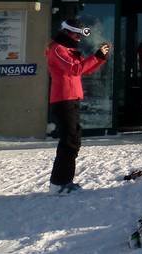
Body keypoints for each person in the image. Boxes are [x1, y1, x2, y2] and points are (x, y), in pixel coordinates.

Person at [46, 18, 110, 194]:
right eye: (77, 35)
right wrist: (96, 57)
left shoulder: (69, 50)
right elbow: (74, 69)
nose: (79, 38)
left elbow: (84, 70)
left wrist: (100, 57)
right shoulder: (57, 49)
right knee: (69, 141)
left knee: (73, 140)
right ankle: (58, 184)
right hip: (62, 99)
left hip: (72, 98)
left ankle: (64, 181)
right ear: (67, 32)